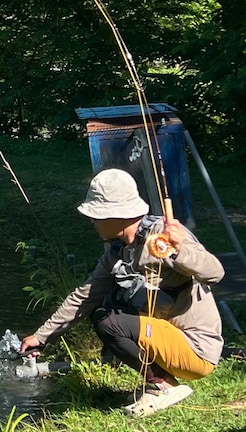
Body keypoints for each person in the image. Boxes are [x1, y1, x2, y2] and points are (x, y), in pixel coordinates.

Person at [21, 167, 225, 417]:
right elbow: (85, 296)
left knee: (109, 320)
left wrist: (180, 249)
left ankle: (163, 386)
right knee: (105, 303)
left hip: (195, 350)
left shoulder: (162, 238)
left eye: (96, 216)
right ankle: (159, 382)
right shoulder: (119, 250)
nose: (92, 222)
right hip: (164, 337)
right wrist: (41, 337)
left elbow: (215, 273)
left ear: (115, 216)